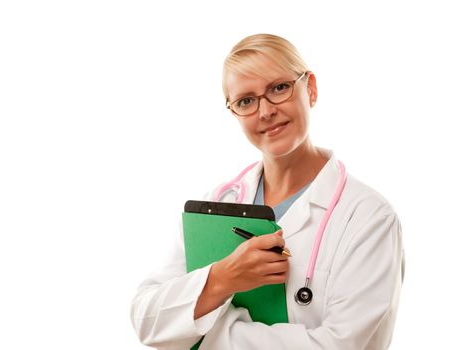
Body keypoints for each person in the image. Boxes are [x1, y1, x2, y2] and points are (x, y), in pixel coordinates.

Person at [130, 33, 404, 349]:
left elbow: (340, 345)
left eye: (279, 88)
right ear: (234, 112)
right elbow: (147, 318)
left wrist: (201, 336)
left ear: (310, 88)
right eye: (246, 101)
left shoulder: (368, 217)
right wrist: (222, 278)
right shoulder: (218, 202)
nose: (265, 111)